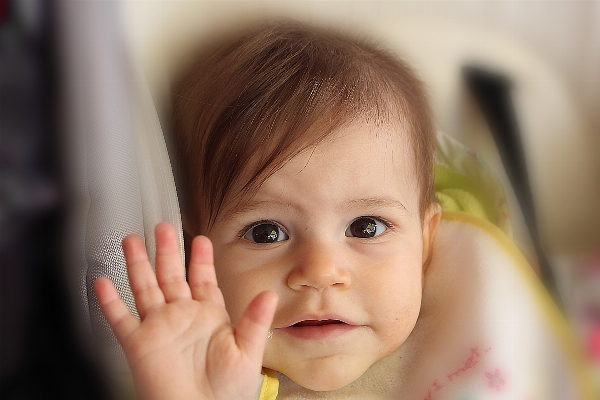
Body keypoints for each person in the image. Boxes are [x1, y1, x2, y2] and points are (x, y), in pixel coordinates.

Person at [94, 21, 442, 399]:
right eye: (267, 233)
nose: (320, 273)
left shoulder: (478, 324)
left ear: (425, 242)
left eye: (366, 227)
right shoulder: (203, 381)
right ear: (195, 253)